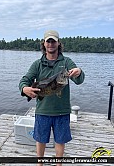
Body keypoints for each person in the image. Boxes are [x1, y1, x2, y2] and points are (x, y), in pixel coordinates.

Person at [19, 30, 85, 166]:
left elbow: (78, 80)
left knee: (60, 140)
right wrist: (24, 89)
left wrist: (78, 72)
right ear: (44, 44)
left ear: (58, 43)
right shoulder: (37, 64)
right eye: (48, 41)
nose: (50, 44)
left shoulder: (66, 62)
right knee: (40, 139)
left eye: (53, 41)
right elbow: (25, 80)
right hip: (43, 110)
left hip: (62, 111)